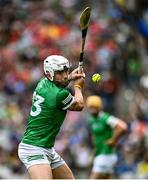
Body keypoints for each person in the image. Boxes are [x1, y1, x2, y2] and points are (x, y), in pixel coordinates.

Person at [18, 55, 85, 179]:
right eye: (60, 72)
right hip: (34, 148)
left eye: (66, 70)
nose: (65, 75)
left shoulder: (42, 83)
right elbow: (79, 105)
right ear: (50, 74)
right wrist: (78, 86)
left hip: (47, 148)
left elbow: (61, 82)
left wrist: (71, 77)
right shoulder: (60, 94)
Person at [86, 95, 127, 179]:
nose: (92, 109)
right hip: (100, 154)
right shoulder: (92, 120)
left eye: (94, 107)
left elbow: (123, 127)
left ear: (99, 107)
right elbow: (95, 138)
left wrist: (113, 140)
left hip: (106, 154)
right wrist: (94, 154)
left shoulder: (105, 118)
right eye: (90, 107)